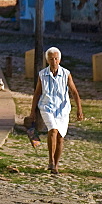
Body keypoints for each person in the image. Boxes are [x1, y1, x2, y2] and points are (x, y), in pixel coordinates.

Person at [27, 47, 83, 175]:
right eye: (51, 59)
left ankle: (55, 165)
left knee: (60, 137)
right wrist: (32, 112)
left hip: (62, 109)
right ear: (47, 60)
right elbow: (37, 93)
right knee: (52, 130)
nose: (54, 61)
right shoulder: (42, 74)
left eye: (56, 58)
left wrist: (79, 109)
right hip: (47, 107)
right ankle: (50, 160)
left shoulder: (66, 74)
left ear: (60, 59)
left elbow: (74, 92)